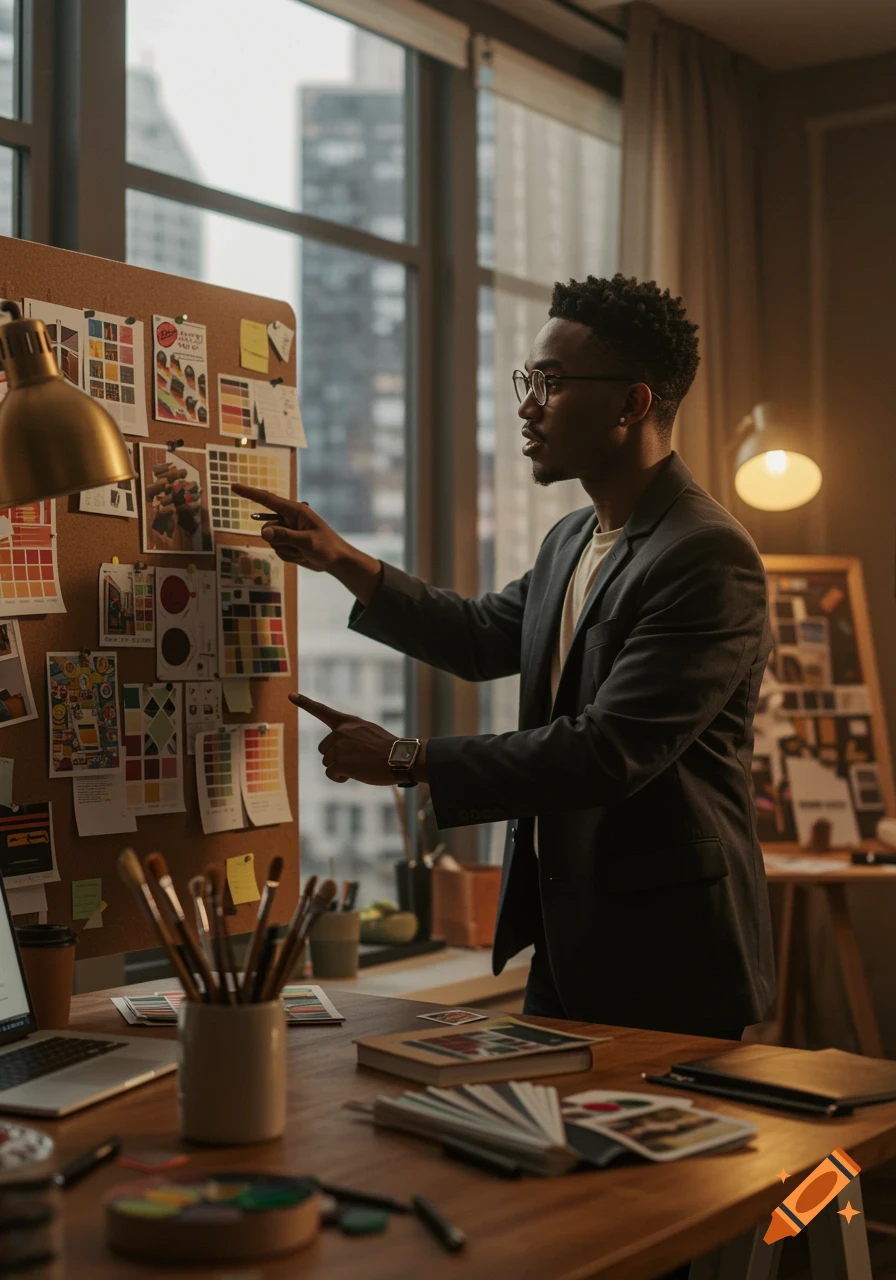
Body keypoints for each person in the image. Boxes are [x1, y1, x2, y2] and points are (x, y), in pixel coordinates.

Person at [234, 273, 775, 1041]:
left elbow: (608, 752)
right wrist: (340, 558)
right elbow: (481, 635)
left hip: (670, 958)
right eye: (530, 380)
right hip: (566, 938)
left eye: (549, 384)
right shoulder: (570, 540)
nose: (526, 405)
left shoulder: (708, 556)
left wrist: (405, 757)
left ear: (632, 404)